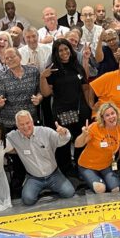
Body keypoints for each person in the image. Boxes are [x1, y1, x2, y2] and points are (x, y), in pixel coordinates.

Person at [39, 39, 94, 174]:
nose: (64, 52)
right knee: (64, 142)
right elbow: (46, 93)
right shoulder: (52, 70)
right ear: (56, 53)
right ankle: (67, 172)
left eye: (66, 49)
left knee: (81, 140)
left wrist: (90, 105)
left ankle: (83, 169)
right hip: (63, 112)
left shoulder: (77, 65)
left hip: (80, 110)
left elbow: (85, 86)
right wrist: (42, 77)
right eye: (60, 50)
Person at [4, 110, 76, 205]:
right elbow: (2, 143)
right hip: (34, 177)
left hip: (53, 175)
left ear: (32, 121)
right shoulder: (12, 136)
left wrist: (64, 133)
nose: (25, 127)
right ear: (17, 126)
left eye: (27, 123)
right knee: (27, 200)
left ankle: (47, 188)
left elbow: (61, 140)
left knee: (69, 193)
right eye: (21, 124)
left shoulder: (45, 131)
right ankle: (39, 188)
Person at [74, 102, 120, 194]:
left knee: (115, 189)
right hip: (87, 166)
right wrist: (84, 135)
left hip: (106, 166)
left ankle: (101, 179)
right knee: (100, 189)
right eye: (107, 115)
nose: (111, 117)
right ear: (103, 118)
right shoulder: (95, 127)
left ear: (117, 114)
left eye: (112, 113)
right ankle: (92, 179)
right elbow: (77, 144)